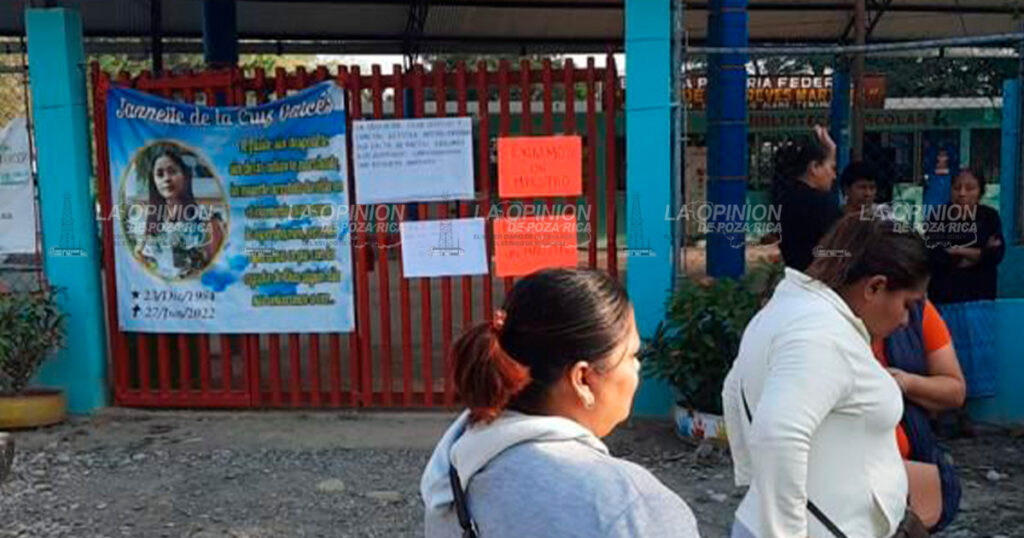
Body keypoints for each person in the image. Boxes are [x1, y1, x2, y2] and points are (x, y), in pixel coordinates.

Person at [421, 268, 699, 538]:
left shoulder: (450, 477)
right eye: (631, 355)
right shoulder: (633, 507)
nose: (637, 367)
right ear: (583, 380)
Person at [722, 213, 932, 538]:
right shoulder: (822, 333)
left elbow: (732, 389)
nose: (907, 320)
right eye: (908, 304)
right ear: (875, 287)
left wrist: (757, 484)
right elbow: (778, 434)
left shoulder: (786, 311)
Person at [876, 299, 964, 531]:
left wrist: (906, 383)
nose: (905, 319)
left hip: (911, 469)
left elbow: (955, 391)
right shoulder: (826, 321)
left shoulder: (918, 311)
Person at [924, 169, 1004, 401]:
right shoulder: (939, 217)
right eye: (957, 187)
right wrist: (978, 254)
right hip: (946, 297)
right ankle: (948, 413)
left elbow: (996, 254)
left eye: (970, 188)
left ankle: (967, 413)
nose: (962, 193)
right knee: (947, 354)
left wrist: (958, 250)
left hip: (979, 295)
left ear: (980, 192)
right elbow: (934, 255)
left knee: (976, 358)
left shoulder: (989, 217)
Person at [133, 144, 224, 279]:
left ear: (185, 176)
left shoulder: (207, 220)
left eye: (172, 171)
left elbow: (217, 269)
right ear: (154, 183)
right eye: (160, 174)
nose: (166, 179)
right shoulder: (148, 223)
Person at [775, 125, 841, 271]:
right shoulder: (822, 204)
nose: (834, 176)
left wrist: (831, 151)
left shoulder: (785, 198)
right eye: (831, 168)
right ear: (814, 167)